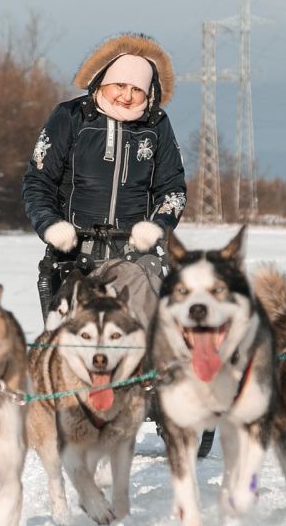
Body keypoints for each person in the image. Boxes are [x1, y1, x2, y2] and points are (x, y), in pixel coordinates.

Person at [22, 33, 187, 315]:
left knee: (140, 325)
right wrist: (50, 224)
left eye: (137, 89)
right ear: (103, 81)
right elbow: (39, 181)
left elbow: (172, 189)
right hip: (74, 252)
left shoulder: (157, 125)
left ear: (149, 92)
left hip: (135, 254)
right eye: (120, 85)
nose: (127, 96)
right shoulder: (70, 116)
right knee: (69, 329)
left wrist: (157, 227)